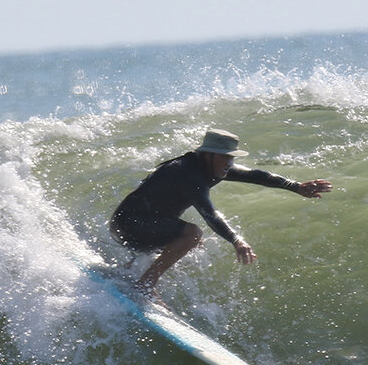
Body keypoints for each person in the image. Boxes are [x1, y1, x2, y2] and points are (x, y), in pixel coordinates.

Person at [109, 128, 332, 301]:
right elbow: (210, 213)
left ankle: (128, 272)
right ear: (208, 155)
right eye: (225, 157)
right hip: (130, 226)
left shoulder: (209, 167)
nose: (229, 163)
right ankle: (146, 285)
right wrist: (236, 240)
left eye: (231, 158)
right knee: (192, 233)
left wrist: (296, 186)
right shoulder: (188, 174)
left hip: (134, 225)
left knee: (195, 243)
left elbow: (256, 175)